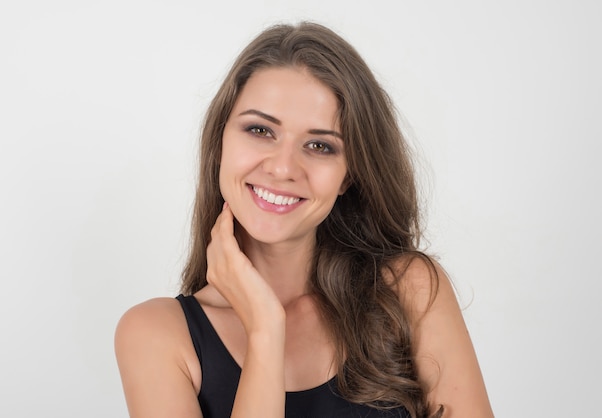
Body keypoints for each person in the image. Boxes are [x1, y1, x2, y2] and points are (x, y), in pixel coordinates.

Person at [115, 22, 494, 418]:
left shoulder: (409, 291)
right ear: (221, 141)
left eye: (319, 145)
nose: (282, 168)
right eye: (260, 130)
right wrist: (264, 329)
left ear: (350, 174)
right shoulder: (156, 335)